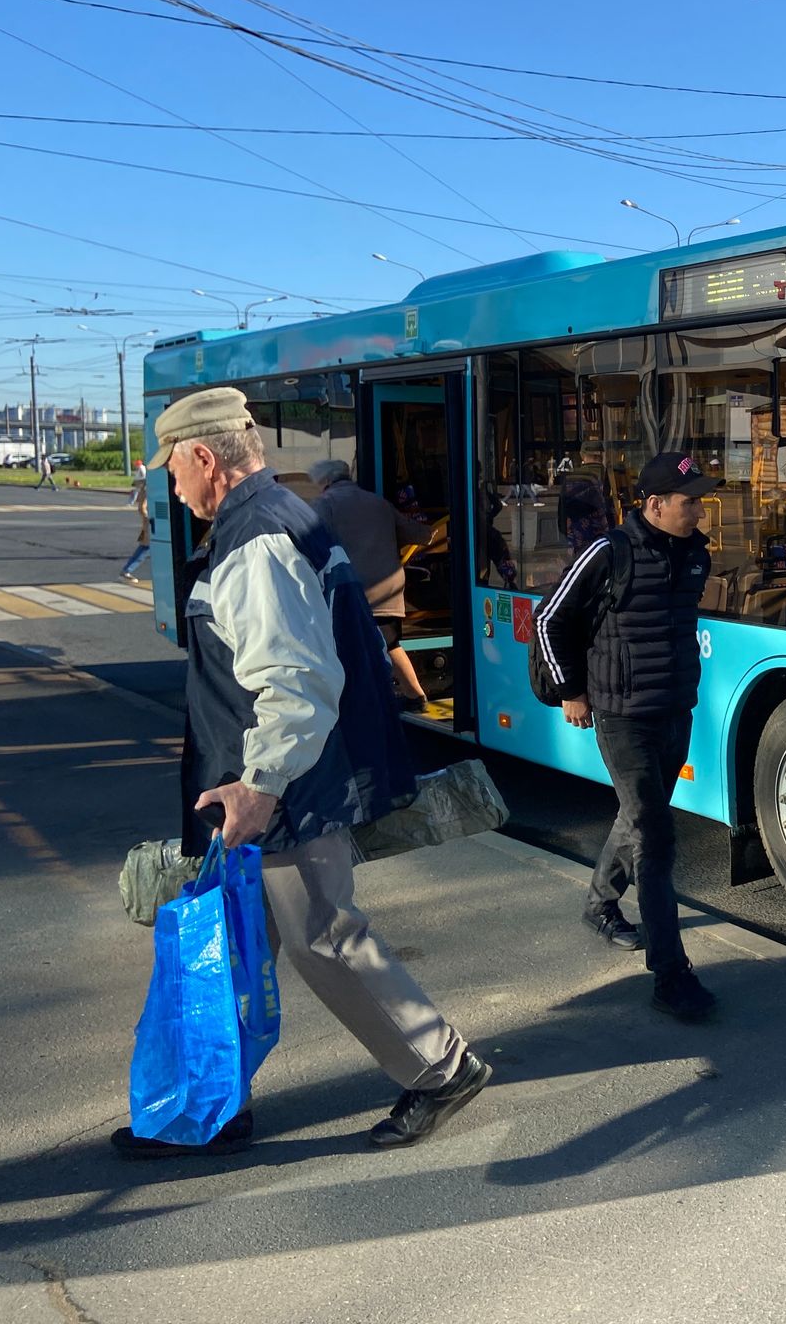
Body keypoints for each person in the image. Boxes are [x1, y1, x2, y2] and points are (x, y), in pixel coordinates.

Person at [111, 389, 488, 1159]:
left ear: (205, 459)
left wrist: (260, 786)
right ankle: (215, 1108)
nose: (172, 488)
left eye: (174, 471)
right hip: (268, 784)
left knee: (323, 935)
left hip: (280, 788)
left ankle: (441, 1067)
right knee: (244, 946)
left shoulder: (255, 540)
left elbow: (297, 682)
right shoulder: (286, 514)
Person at [537, 451, 718, 1020]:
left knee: (640, 816)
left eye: (699, 500)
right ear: (655, 504)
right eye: (688, 501)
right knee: (656, 841)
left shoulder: (697, 555)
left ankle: (598, 906)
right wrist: (571, 691)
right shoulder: (607, 551)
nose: (698, 510)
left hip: (674, 710)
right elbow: (549, 620)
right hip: (621, 717)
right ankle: (671, 976)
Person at [308, 458, 432, 707]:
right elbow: (421, 534)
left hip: (352, 588)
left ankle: (367, 700)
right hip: (389, 588)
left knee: (345, 645)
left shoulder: (325, 504)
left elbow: (310, 542)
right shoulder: (378, 502)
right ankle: (415, 694)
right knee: (389, 644)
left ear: (326, 482)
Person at [120, 471, 151, 580]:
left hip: (147, 523)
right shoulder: (149, 487)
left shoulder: (146, 487)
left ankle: (127, 570)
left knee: (146, 547)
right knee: (146, 547)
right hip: (150, 523)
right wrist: (148, 520)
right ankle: (127, 570)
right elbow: (142, 507)